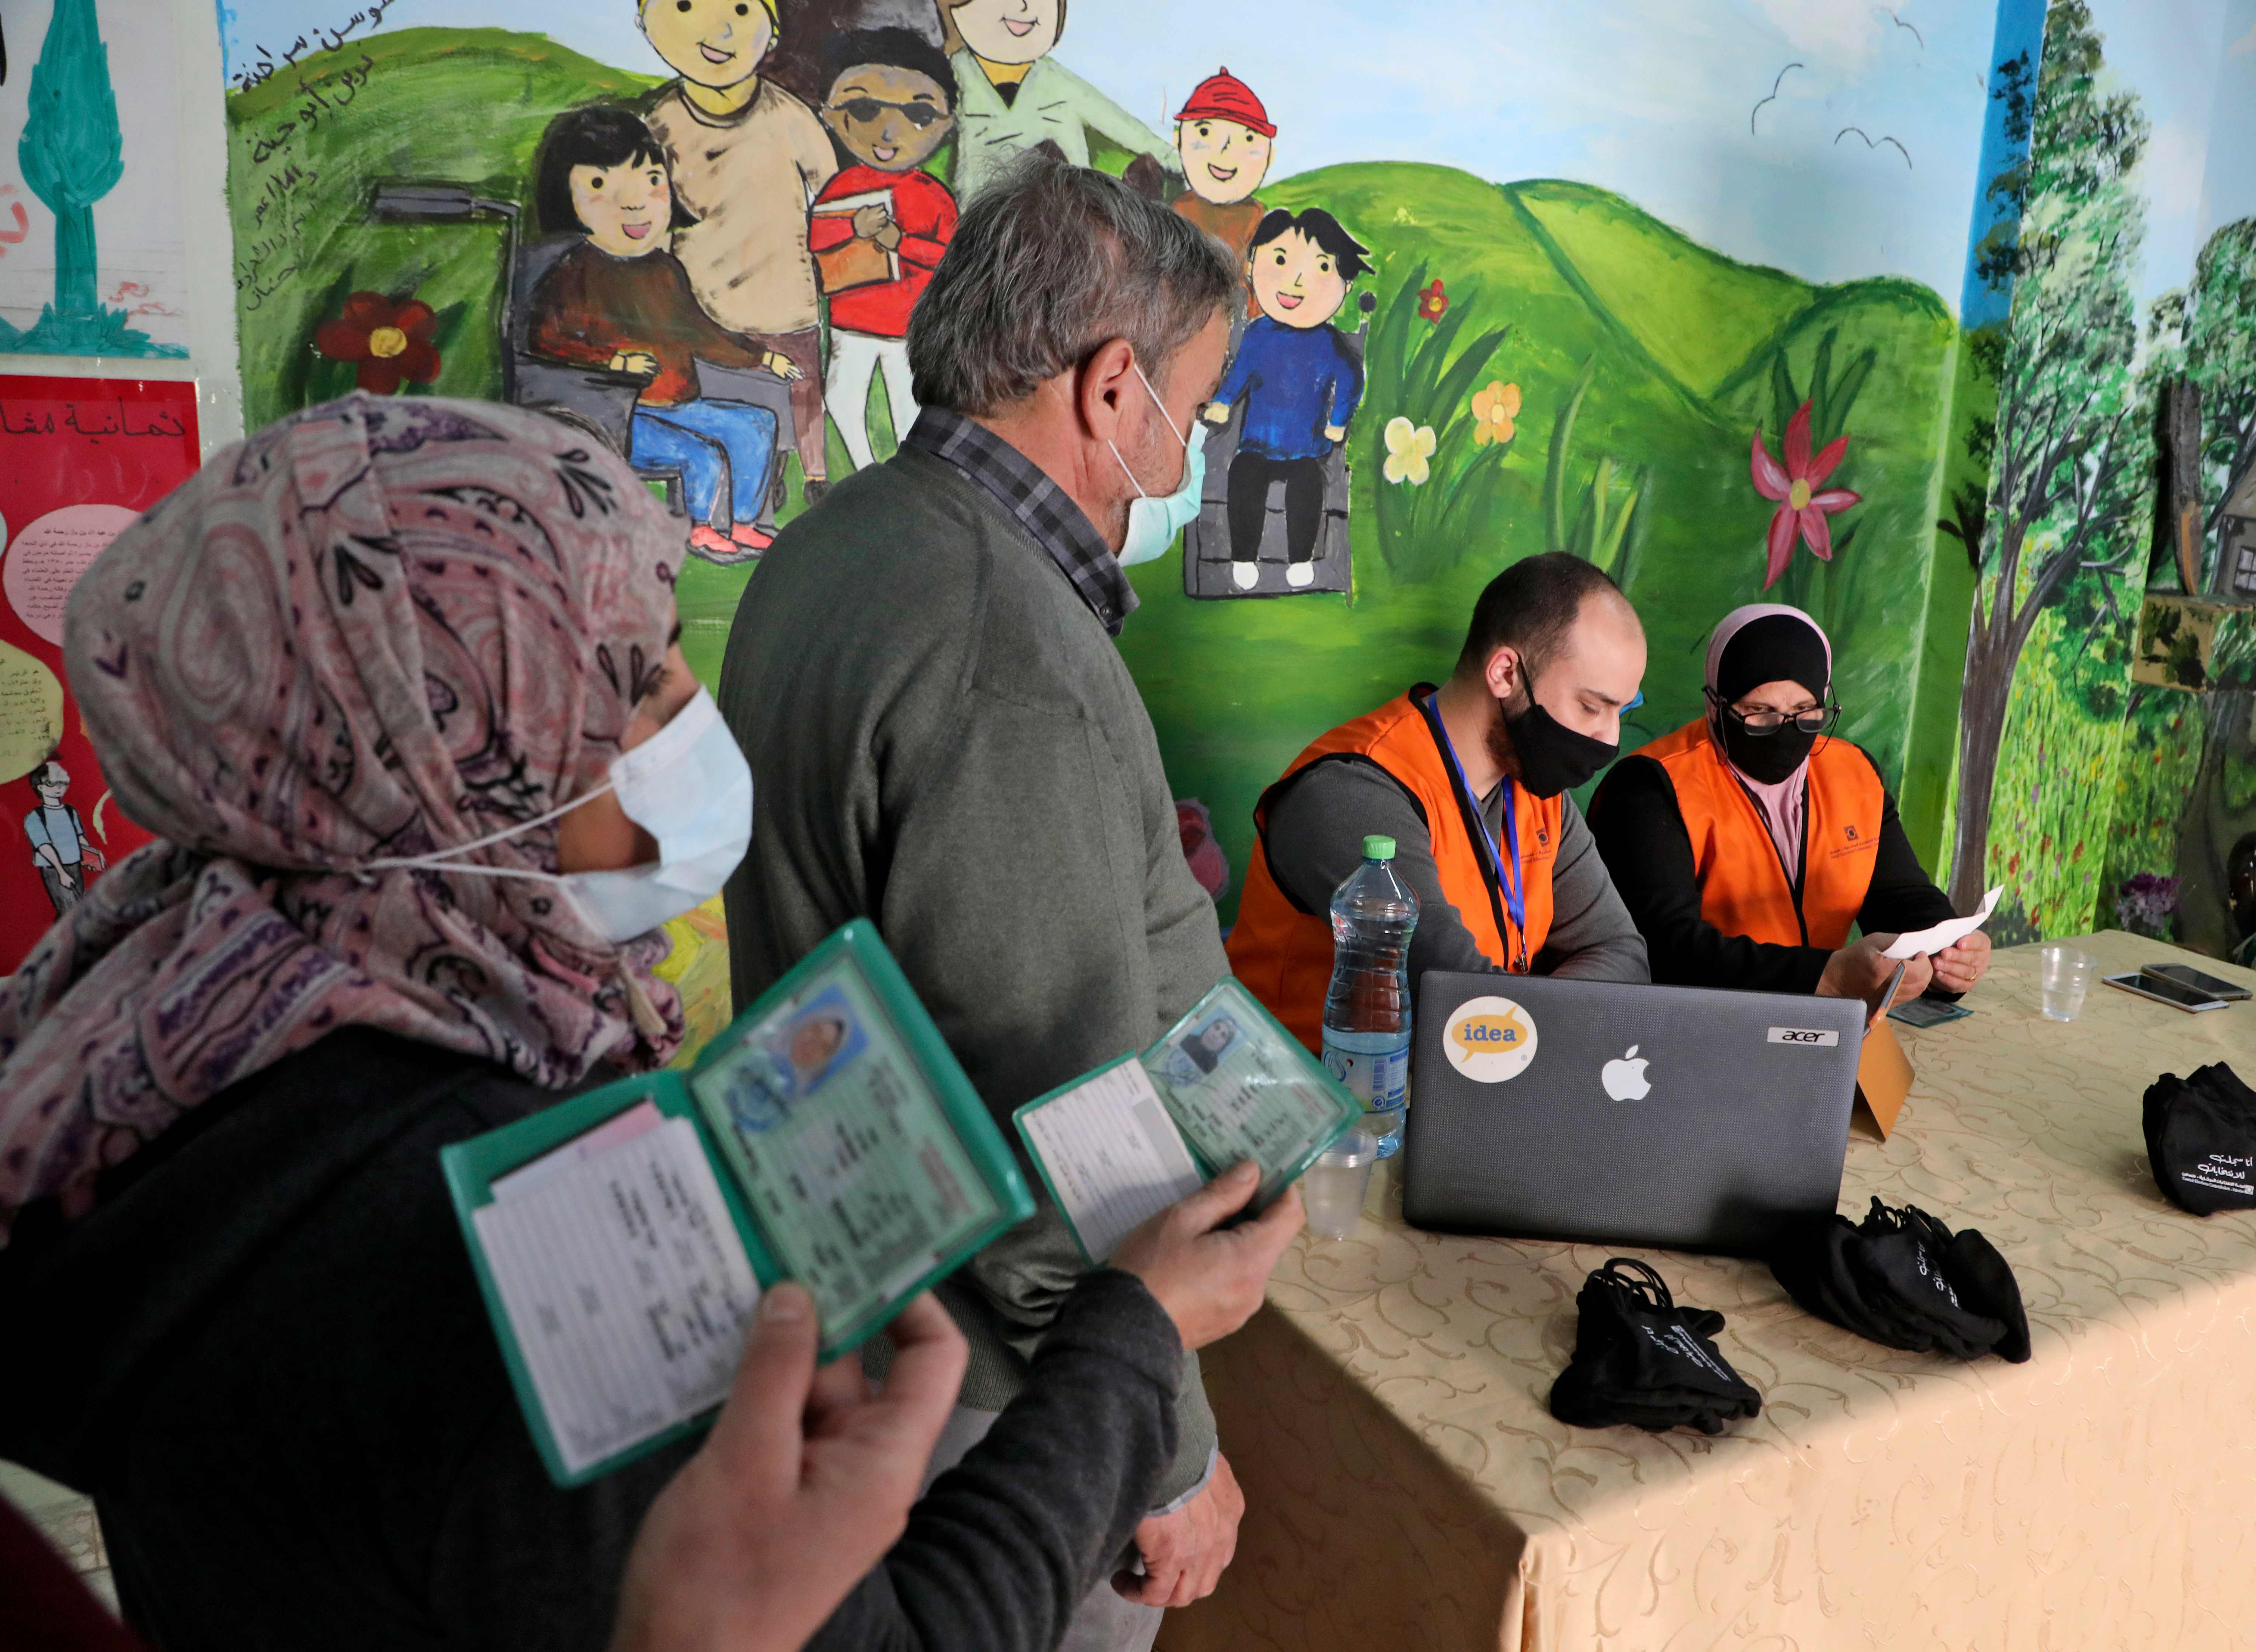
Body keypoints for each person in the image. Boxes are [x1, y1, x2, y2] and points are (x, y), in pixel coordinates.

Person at [0, 394, 1299, 1650]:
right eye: (628, 677)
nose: (690, 713)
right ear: (457, 757)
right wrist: (1135, 1332)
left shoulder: (169, 1020)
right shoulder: (533, 1226)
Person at [720, 153, 1243, 1651]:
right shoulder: (1003, 643)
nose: (1186, 449)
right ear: (1109, 390)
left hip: (855, 1294)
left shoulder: (844, 535)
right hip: (998, 1400)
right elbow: (1058, 1114)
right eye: (1190, 414)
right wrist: (1164, 1446)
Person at [1227, 553, 1652, 1054]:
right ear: (1506, 673)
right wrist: (1560, 1009)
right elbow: (1456, 997)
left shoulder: (1541, 797)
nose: (1610, 737)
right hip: (1315, 1107)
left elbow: (1622, 954)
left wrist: (1523, 1013)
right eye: (1591, 706)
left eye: (1623, 710)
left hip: (1460, 1091)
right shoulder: (1350, 793)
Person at [1588, 603, 1990, 1008]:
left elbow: (1901, 896)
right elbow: (1667, 947)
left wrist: (1951, 949)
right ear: (1716, 706)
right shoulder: (1649, 788)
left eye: (1805, 712)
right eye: (1759, 713)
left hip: (1819, 1024)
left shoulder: (1852, 773)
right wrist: (1827, 976)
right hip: (1695, 1025)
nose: (1786, 733)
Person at [529, 105, 799, 563]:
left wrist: (761, 358)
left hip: (682, 401)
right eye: (599, 185)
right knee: (701, 454)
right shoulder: (574, 272)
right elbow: (546, 340)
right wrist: (613, 364)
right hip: (624, 415)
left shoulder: (664, 270)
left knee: (757, 425)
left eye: (650, 181)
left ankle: (745, 525)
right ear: (566, 198)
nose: (634, 203)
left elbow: (701, 333)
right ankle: (702, 531)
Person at [640, 0, 839, 502]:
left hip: (784, 299)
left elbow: (832, 195)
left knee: (799, 396)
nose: (718, 28)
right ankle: (741, 477)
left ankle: (807, 475)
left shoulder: (791, 116)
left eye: (742, 8)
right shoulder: (659, 122)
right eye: (685, 6)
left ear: (771, 31)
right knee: (714, 398)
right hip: (701, 302)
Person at [807, 26, 962, 469]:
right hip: (850, 321)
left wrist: (903, 243)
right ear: (831, 115)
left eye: (918, 114)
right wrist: (852, 227)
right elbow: (816, 243)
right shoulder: (842, 187)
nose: (889, 131)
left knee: (910, 413)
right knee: (841, 400)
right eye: (864, 108)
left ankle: (908, 478)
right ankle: (863, 470)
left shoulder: (933, 195)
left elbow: (951, 262)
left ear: (946, 124)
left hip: (909, 329)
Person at [1202, 208, 1368, 589]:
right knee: (1243, 477)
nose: (1296, 281)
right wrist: (1224, 401)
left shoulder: (1327, 344)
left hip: (1305, 449)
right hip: (1257, 444)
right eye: (1280, 260)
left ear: (1345, 284)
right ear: (1253, 267)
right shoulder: (1259, 335)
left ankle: (1300, 559)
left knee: (1308, 486)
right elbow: (1240, 372)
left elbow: (1351, 379)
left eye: (1321, 268)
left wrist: (1339, 421)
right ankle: (1243, 558)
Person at [935, 0, 1177, 203]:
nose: (1024, 7)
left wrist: (1178, 159)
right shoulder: (953, 75)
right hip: (988, 224)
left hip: (1068, 218)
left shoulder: (1056, 80)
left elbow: (1121, 125)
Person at [1170, 68, 1275, 268]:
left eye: (1248, 138)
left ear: (1270, 157)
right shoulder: (1181, 210)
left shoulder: (1258, 219)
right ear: (1179, 141)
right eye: (1205, 131)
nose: (1225, 151)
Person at [22, 758, 100, 917]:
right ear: (41, 787)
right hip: (54, 869)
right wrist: (62, 873)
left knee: (75, 910)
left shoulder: (71, 811)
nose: (59, 788)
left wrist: (92, 858)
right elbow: (44, 847)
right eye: (52, 783)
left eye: (62, 783)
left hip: (75, 865)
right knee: (72, 914)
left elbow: (80, 838)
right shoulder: (35, 817)